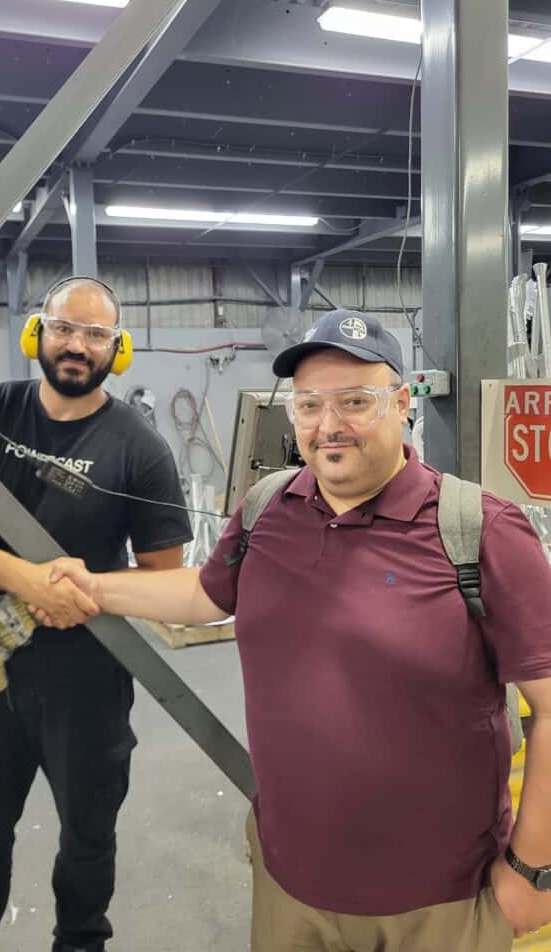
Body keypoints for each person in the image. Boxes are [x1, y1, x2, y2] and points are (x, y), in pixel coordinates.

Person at [46, 308, 551, 952]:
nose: (329, 425)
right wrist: (93, 586)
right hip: (290, 886)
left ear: (403, 404)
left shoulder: (477, 529)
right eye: (309, 405)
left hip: (440, 899)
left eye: (355, 401)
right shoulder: (266, 508)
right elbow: (204, 592)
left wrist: (534, 872)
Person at [0, 276, 192, 952]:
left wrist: (86, 590)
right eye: (65, 327)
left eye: (96, 334)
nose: (77, 346)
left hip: (88, 682)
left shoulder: (139, 447)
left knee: (88, 841)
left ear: (116, 349)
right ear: (38, 333)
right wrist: (30, 578)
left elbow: (166, 576)